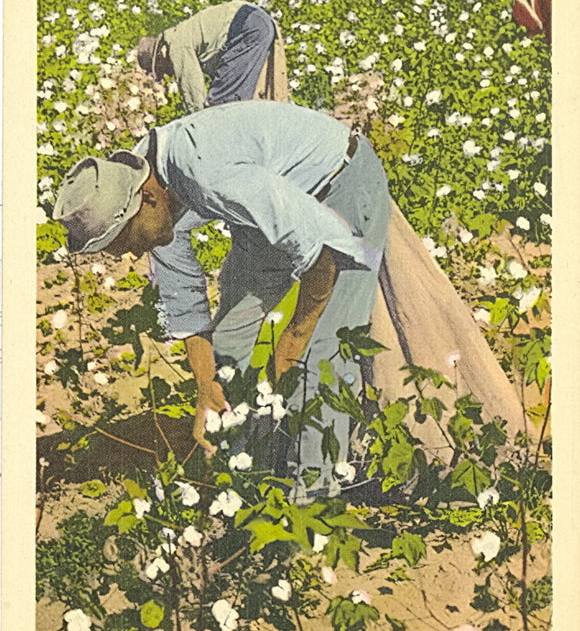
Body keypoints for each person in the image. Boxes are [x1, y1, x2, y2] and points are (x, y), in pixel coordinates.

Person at [54, 100, 390, 501]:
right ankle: (243, 470)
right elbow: (186, 306)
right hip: (268, 204)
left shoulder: (204, 173)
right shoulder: (143, 181)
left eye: (126, 241)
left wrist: (292, 342)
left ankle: (312, 500)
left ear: (148, 199)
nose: (128, 254)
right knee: (229, 348)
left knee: (319, 357)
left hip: (339, 186)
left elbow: (319, 255)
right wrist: (205, 386)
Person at [136, 1, 289, 113]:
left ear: (161, 55)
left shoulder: (176, 44)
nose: (170, 74)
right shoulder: (183, 33)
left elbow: (191, 87)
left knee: (222, 105)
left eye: (163, 69)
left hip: (247, 26)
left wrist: (196, 123)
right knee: (256, 97)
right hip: (258, 21)